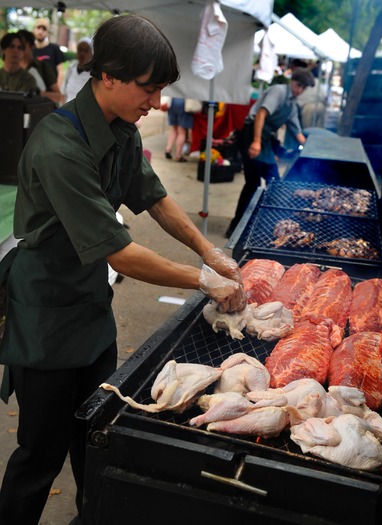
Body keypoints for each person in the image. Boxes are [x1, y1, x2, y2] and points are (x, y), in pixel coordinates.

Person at [0, 14, 246, 525]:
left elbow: (154, 197)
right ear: (107, 75)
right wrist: (202, 280)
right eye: (148, 88)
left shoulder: (122, 129)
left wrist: (209, 250)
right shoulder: (58, 145)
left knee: (97, 435)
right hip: (45, 311)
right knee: (40, 454)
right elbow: (121, 252)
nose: (155, 103)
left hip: (90, 306)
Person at [225, 67, 315, 238]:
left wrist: (311, 149)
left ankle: (269, 224)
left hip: (265, 142)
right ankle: (235, 227)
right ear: (292, 81)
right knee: (253, 184)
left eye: (304, 88)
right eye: (298, 85)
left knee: (276, 183)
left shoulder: (293, 105)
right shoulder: (279, 91)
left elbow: (297, 132)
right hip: (252, 135)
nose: (300, 90)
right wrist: (256, 142)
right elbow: (261, 114)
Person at [17, 29, 63, 107]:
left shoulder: (42, 67)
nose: (18, 50)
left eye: (22, 46)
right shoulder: (13, 68)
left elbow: (59, 97)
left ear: (31, 46)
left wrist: (38, 94)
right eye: (14, 46)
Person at [32, 17, 65, 87]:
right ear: (34, 30)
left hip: (51, 91)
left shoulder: (55, 48)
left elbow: (61, 71)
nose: (40, 32)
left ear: (47, 32)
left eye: (44, 29)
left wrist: (57, 91)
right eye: (38, 28)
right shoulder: (29, 49)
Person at [61, 37, 93, 103]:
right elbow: (63, 93)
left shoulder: (93, 73)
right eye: (80, 50)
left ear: (91, 53)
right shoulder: (71, 68)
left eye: (86, 50)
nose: (82, 53)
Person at [162, 97, 194, 162]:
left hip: (172, 102)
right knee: (181, 131)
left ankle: (168, 149)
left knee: (173, 129)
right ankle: (178, 155)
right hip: (184, 104)